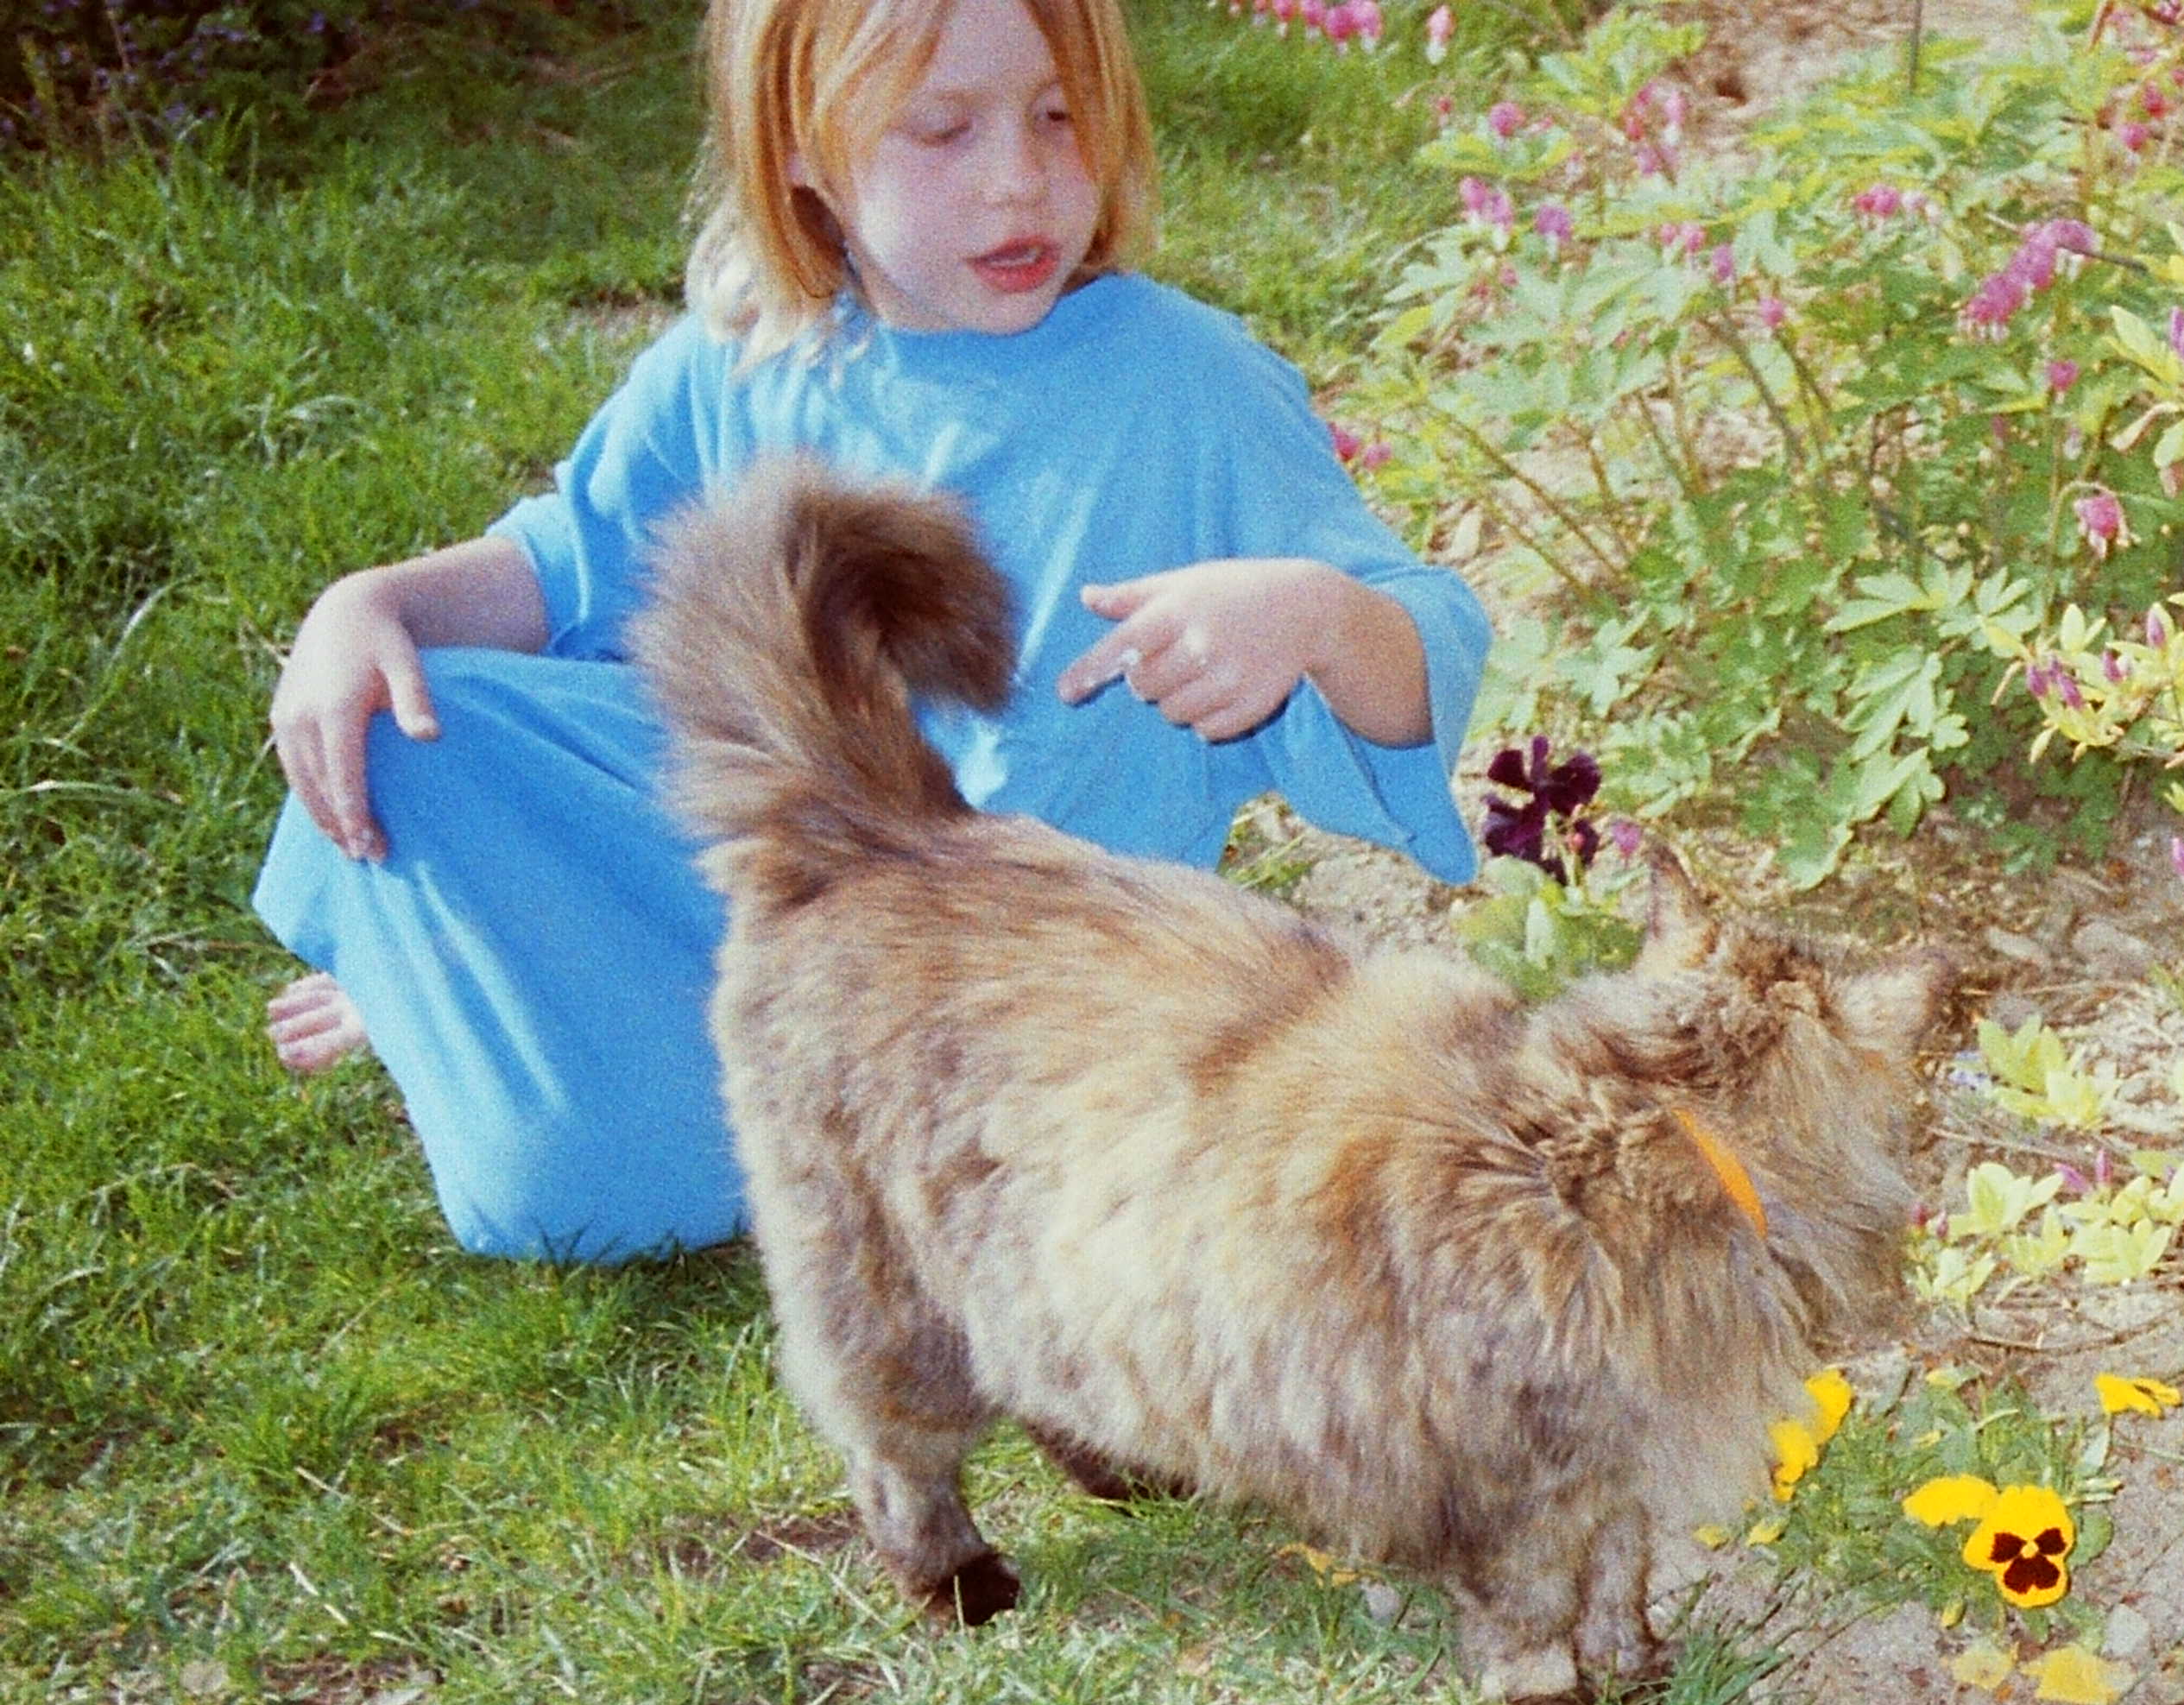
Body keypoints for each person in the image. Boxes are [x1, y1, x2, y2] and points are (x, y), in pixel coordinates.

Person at [256, 0, 1487, 1262]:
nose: (1018, 181)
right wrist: (367, 605)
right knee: (411, 719)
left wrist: (1318, 618)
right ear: (798, 147)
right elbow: (566, 567)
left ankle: (528, 1016)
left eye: (1059, 117)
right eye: (942, 131)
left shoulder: (1191, 390)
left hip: (1004, 999)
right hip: (748, 908)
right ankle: (467, 977)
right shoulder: (745, 361)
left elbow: (1425, 645)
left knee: (564, 1199)